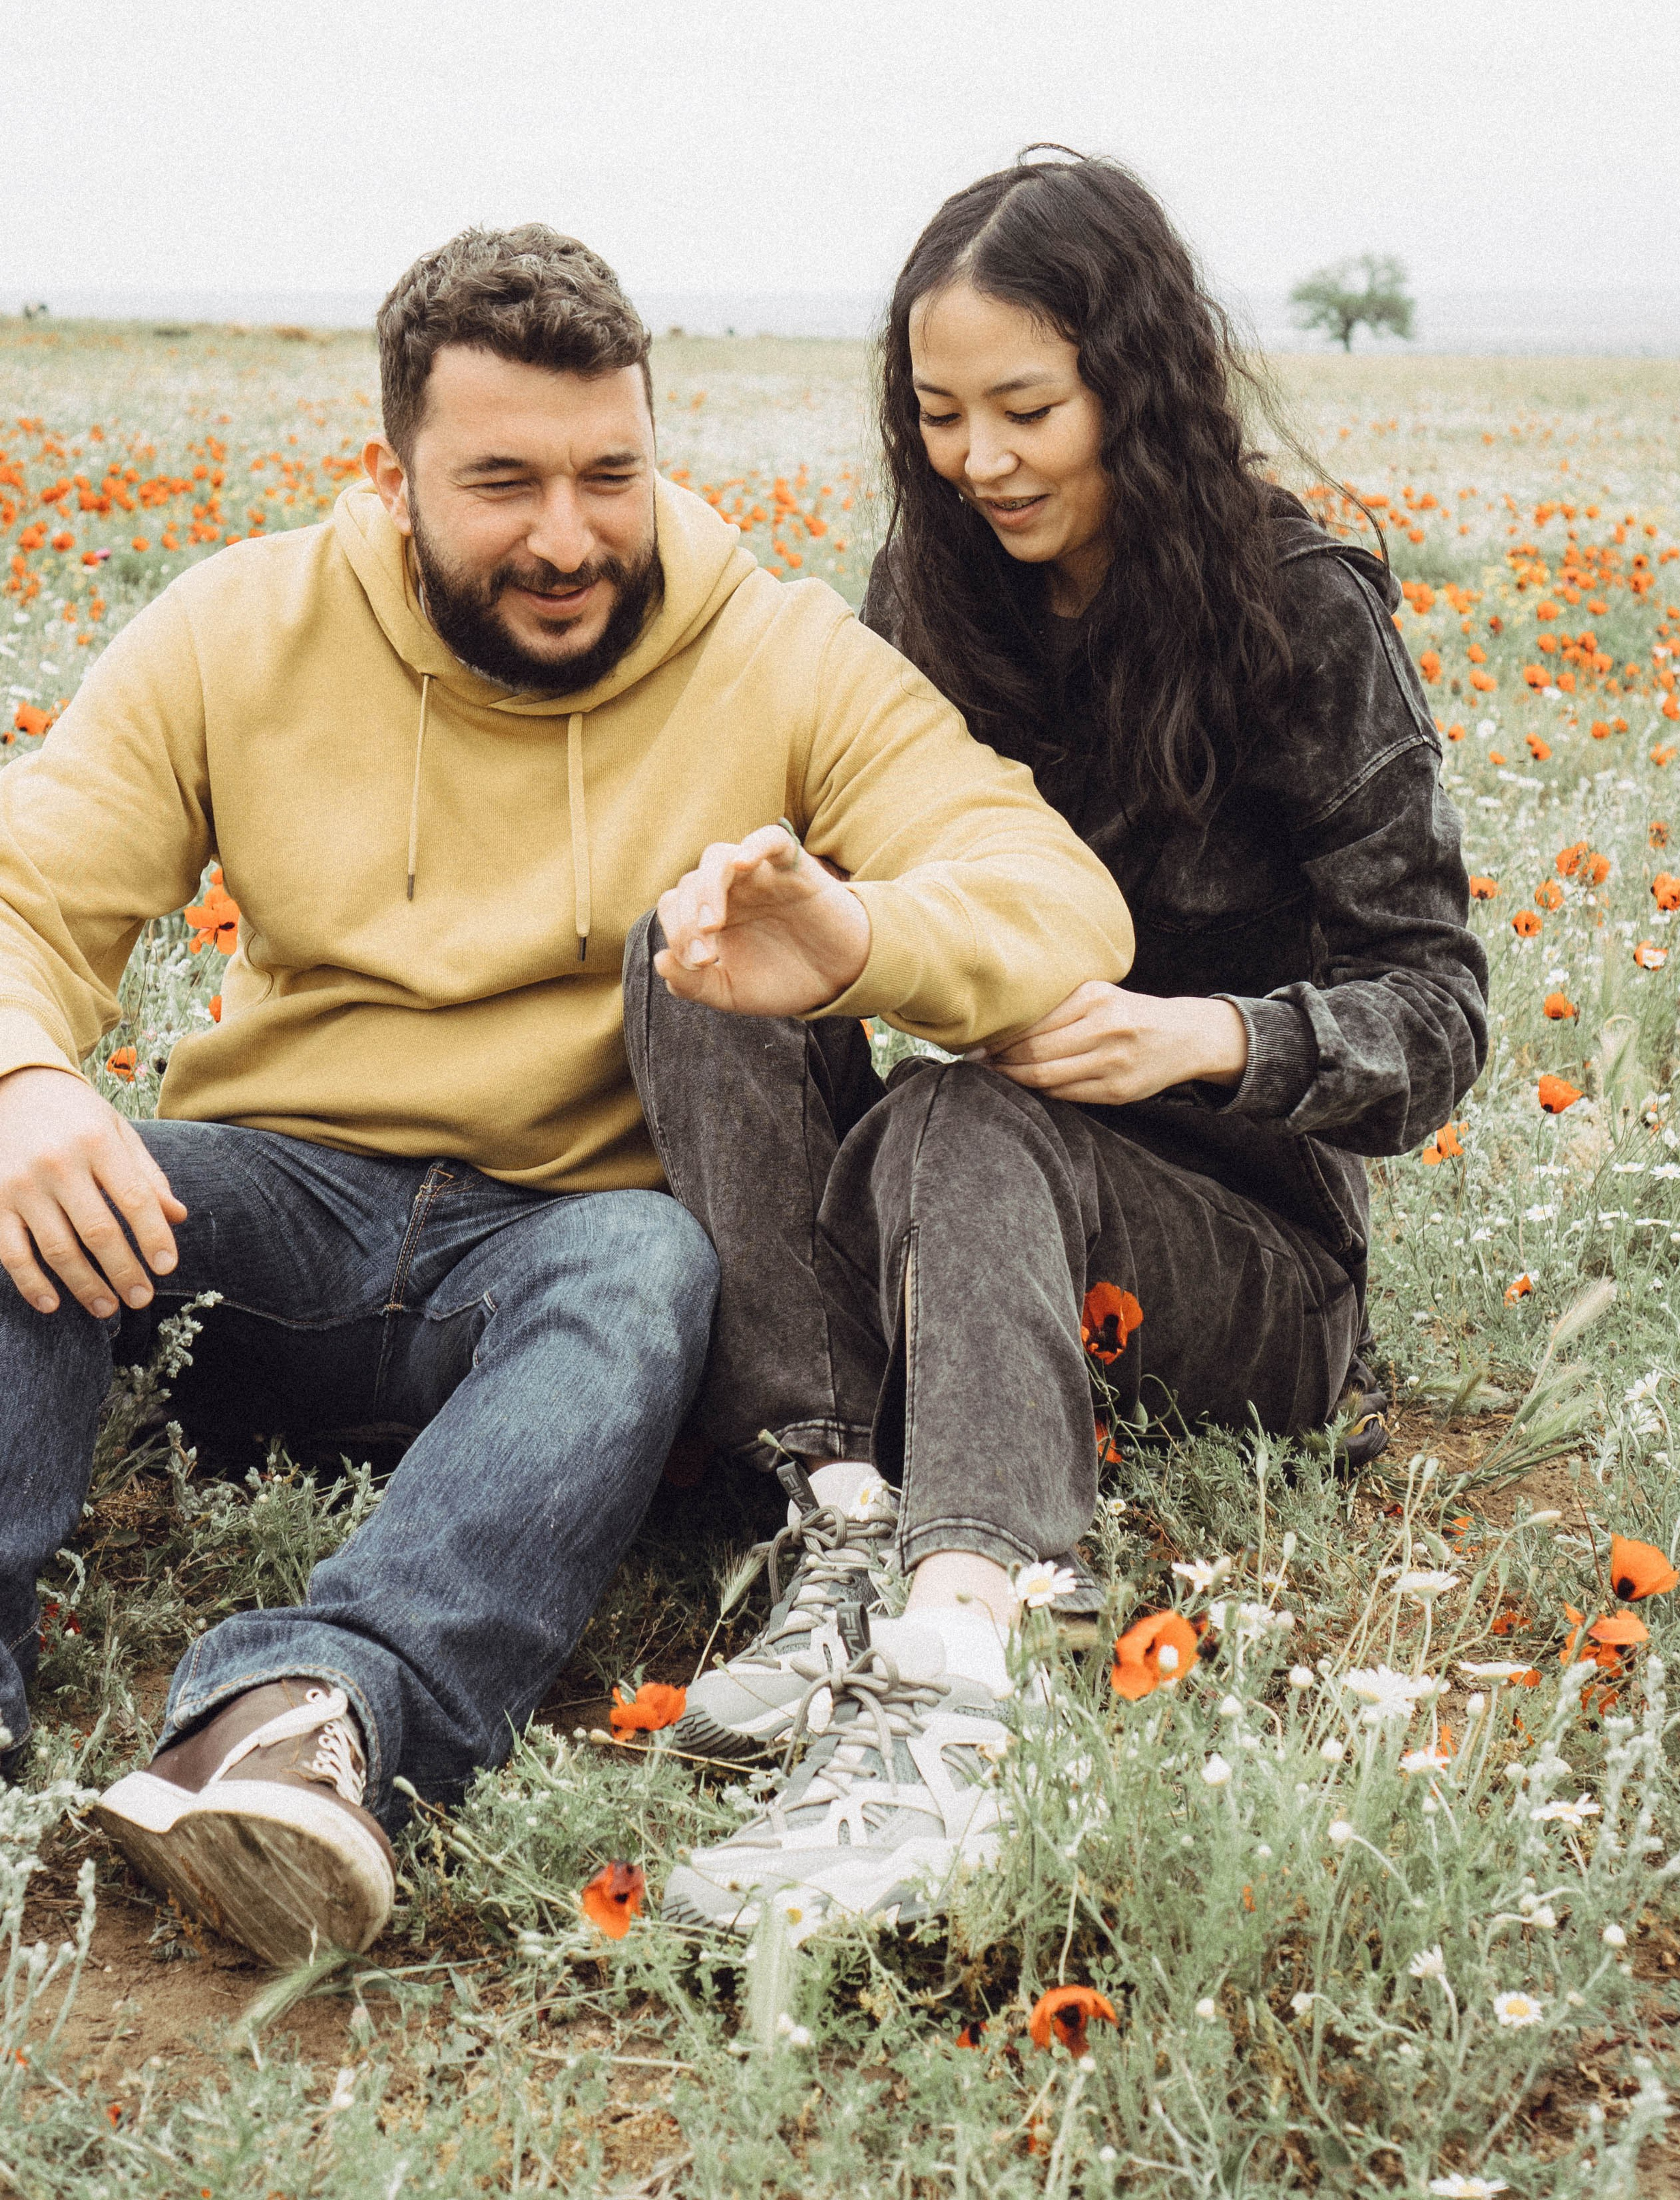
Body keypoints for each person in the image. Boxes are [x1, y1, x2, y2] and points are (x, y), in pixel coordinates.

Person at [0, 223, 1131, 1968]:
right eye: (502, 482)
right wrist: (24, 1076)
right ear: (390, 478)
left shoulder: (775, 650)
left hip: (558, 1262)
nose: (567, 535)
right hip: (265, 1211)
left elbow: (1051, 896)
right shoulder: (238, 626)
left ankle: (318, 1714)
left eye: (612, 475)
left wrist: (855, 939)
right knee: (24, 1160)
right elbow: (29, 894)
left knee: (646, 1268)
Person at [629, 154, 1489, 1934]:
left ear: (1137, 387)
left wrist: (1204, 1039)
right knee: (690, 945)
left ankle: (956, 1677)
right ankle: (844, 1509)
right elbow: (868, 892)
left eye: (1028, 408)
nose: (983, 460)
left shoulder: (1299, 607)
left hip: (1241, 1252)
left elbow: (1440, 1010)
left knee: (966, 1127)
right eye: (941, 415)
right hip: (963, 1207)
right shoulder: (934, 589)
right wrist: (806, 915)